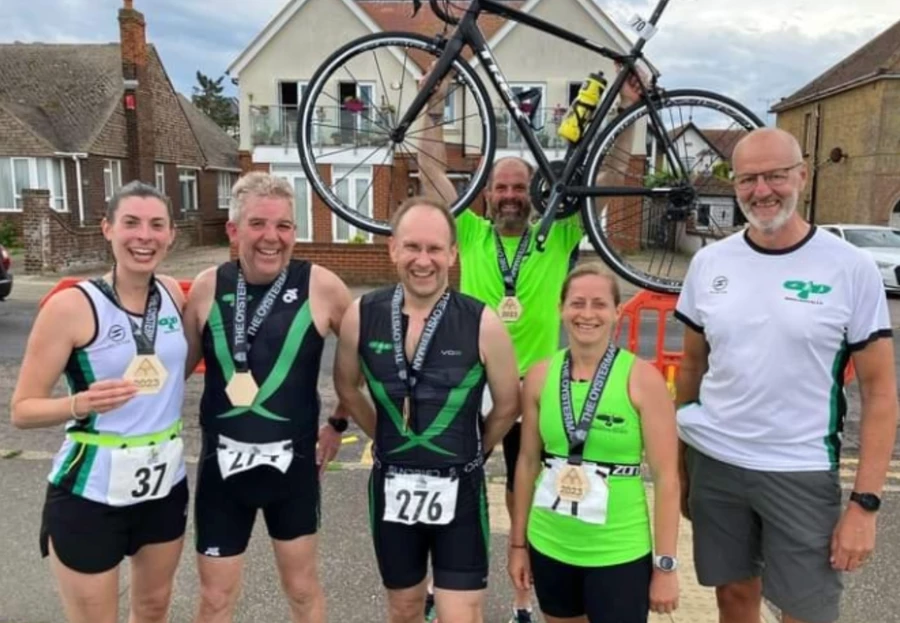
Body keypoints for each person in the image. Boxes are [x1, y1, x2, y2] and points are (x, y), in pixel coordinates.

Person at [415, 63, 645, 623]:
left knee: (533, 493)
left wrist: (625, 114)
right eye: (501, 188)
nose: (511, 196)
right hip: (478, 388)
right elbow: (429, 176)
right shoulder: (468, 231)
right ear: (487, 194)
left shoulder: (558, 231)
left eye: (519, 187)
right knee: (449, 483)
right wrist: (433, 108)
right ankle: (435, 585)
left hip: (542, 394)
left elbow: (609, 179)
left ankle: (524, 599)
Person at [674, 127, 899, 623]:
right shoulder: (709, 263)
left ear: (802, 175)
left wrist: (865, 505)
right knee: (733, 597)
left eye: (776, 175)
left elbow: (881, 392)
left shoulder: (850, 267)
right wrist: (681, 463)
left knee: (805, 611)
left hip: (800, 468)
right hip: (717, 463)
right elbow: (692, 365)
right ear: (734, 185)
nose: (762, 190)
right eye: (748, 179)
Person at [333, 196, 521, 623]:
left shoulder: (482, 321)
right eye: (413, 247)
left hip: (460, 488)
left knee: (461, 614)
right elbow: (346, 384)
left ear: (453, 254)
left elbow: (508, 405)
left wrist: (475, 450)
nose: (424, 260)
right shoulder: (362, 314)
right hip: (392, 487)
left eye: (435, 249)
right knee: (403, 608)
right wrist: (382, 433)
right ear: (393, 249)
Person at [10, 181, 188, 623]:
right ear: (107, 228)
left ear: (171, 235)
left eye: (156, 225)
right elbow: (22, 409)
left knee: (152, 610)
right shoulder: (71, 305)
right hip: (90, 491)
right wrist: (80, 403)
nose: (143, 236)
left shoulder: (171, 292)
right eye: (130, 223)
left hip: (164, 484)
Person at [183, 172, 353, 623]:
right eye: (258, 224)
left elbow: (367, 366)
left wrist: (338, 422)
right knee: (215, 599)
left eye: (284, 226)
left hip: (292, 471)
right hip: (222, 473)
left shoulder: (321, 285)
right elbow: (171, 373)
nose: (271, 238)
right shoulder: (206, 287)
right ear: (233, 230)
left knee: (301, 591)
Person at [507, 262, 680, 622]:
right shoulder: (539, 375)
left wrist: (665, 567)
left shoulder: (643, 379)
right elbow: (526, 463)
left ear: (618, 312)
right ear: (561, 309)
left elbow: (667, 479)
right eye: (577, 303)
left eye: (599, 304)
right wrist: (518, 545)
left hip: (617, 551)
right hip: (550, 542)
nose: (587, 314)